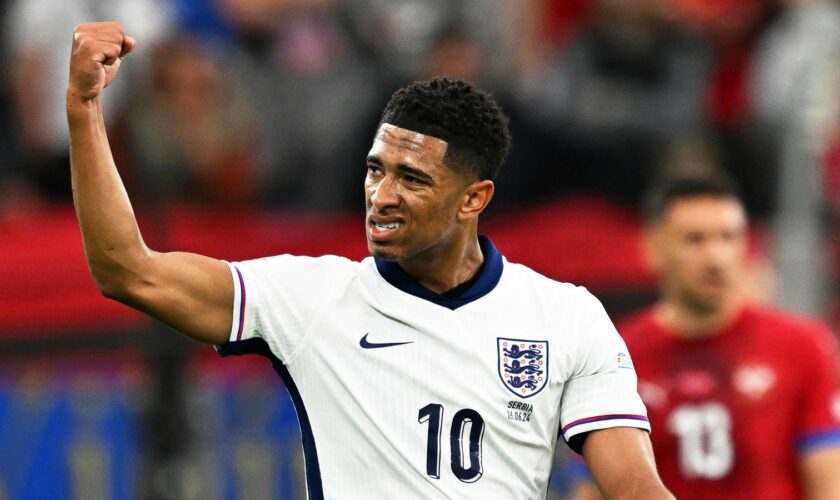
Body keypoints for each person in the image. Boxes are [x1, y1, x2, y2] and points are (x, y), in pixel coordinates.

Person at [66, 22, 674, 499]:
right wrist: (84, 110)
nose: (382, 196)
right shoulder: (310, 298)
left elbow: (635, 486)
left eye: (412, 178)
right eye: (374, 170)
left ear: (474, 199)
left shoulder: (565, 317)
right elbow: (128, 269)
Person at [571, 173, 840, 499]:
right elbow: (595, 490)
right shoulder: (613, 355)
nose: (716, 258)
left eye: (728, 237)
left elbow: (829, 484)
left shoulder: (803, 346)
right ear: (653, 247)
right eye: (695, 239)